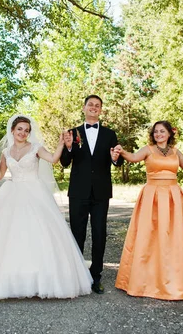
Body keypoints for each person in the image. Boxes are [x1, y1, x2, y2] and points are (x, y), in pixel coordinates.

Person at [0, 115, 92, 299]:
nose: (23, 133)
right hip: (12, 193)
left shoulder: (35, 148)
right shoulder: (6, 152)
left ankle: (42, 278)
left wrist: (61, 144)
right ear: (12, 130)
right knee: (9, 236)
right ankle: (12, 278)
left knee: (39, 233)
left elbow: (52, 159)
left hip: (35, 192)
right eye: (19, 129)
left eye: (26, 130)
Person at [113, 121, 183, 300]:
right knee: (147, 237)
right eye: (156, 131)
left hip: (173, 197)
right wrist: (122, 151)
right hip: (152, 197)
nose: (158, 134)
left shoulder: (175, 152)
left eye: (162, 131)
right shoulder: (147, 149)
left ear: (169, 134)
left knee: (171, 239)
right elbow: (133, 157)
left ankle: (170, 282)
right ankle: (143, 282)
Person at [61, 95, 122, 294]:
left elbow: (117, 160)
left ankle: (96, 276)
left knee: (99, 234)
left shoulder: (110, 134)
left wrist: (115, 159)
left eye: (97, 106)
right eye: (90, 105)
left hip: (101, 192)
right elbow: (64, 162)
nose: (94, 108)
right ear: (84, 108)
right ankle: (77, 275)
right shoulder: (72, 132)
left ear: (101, 110)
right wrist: (69, 146)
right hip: (78, 191)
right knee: (77, 233)